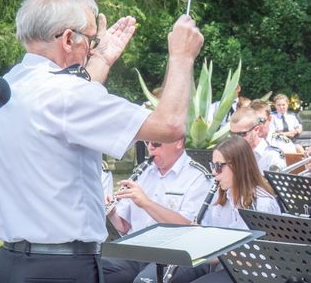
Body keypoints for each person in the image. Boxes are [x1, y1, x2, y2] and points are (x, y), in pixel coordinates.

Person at [0, 0, 203, 282]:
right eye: (90, 38)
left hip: (11, 262)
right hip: (61, 269)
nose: (93, 46)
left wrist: (102, 58)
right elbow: (170, 126)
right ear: (68, 39)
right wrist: (182, 55)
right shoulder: (66, 95)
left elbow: (70, 106)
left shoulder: (9, 84)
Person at [170, 136, 281, 283]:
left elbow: (255, 257)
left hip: (252, 272)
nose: (214, 173)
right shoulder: (221, 197)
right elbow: (215, 239)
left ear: (238, 166)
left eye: (219, 166)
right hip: (224, 265)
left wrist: (208, 247)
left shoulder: (262, 204)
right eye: (213, 166)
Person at [103, 139, 211, 283]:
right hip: (135, 251)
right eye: (147, 143)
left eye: (156, 144)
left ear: (178, 142)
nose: (150, 148)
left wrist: (146, 203)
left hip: (173, 255)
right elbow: (124, 226)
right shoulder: (143, 171)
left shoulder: (197, 177)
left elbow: (190, 230)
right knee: (96, 271)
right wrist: (111, 213)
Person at [229, 107, 286, 172]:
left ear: (256, 130)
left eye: (242, 134)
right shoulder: (231, 154)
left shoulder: (272, 156)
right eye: (232, 134)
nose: (236, 139)